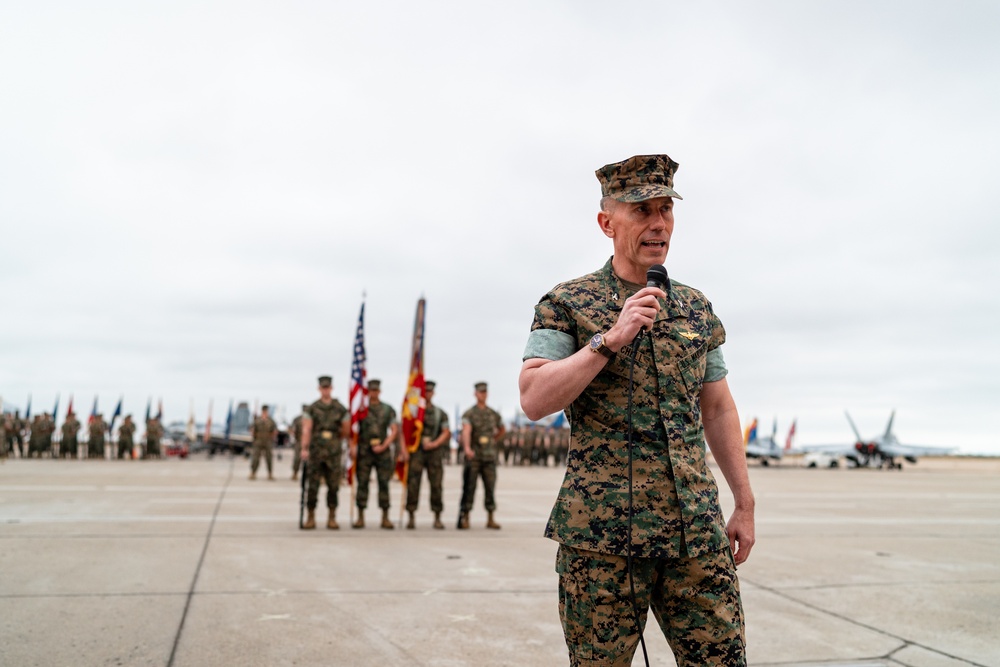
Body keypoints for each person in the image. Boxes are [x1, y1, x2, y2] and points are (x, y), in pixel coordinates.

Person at [517, 154, 755, 666]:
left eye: (666, 209)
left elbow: (717, 407)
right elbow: (535, 398)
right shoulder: (566, 303)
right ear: (607, 223)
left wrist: (744, 501)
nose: (658, 223)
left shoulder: (695, 308)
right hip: (602, 539)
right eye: (642, 210)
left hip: (695, 534)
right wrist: (610, 339)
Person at [300, 377, 351, 529]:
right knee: (313, 486)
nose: (325, 390)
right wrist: (304, 448)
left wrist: (336, 441)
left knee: (333, 486)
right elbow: (306, 429)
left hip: (334, 453)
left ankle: (332, 517)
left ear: (331, 388)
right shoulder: (312, 408)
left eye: (328, 387)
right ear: (319, 389)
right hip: (316, 451)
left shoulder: (340, 408)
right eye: (323, 388)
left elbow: (346, 429)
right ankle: (310, 517)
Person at [404, 380, 451, 530]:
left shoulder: (440, 413)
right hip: (417, 452)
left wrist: (435, 444)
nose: (428, 394)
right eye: (425, 391)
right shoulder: (413, 412)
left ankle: (437, 517)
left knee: (436, 485)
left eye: (430, 391)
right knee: (413, 485)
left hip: (434, 453)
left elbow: (446, 432)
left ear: (433, 393)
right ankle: (411, 516)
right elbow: (405, 430)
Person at [352, 379, 398, 530]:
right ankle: (360, 516)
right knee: (362, 483)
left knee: (384, 483)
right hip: (365, 451)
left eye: (376, 390)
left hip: (382, 452)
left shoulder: (387, 409)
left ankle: (385, 517)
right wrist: (353, 447)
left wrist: (385, 445)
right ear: (367, 391)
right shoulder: (360, 409)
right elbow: (353, 429)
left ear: (379, 391)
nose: (373, 393)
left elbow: (394, 429)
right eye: (371, 390)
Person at [459, 382, 505, 530]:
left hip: (489, 458)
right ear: (475, 394)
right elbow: (466, 431)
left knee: (490, 488)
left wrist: (493, 440)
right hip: (474, 458)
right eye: (480, 392)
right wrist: (467, 448)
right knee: (469, 488)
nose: (483, 394)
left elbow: (502, 428)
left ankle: (490, 518)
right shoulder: (469, 413)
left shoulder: (493, 413)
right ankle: (465, 517)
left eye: (485, 392)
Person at [249, 405, 277, 480]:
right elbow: (252, 429)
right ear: (262, 411)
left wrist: (272, 437)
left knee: (269, 458)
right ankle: (253, 473)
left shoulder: (271, 420)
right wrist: (253, 434)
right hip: (258, 441)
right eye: (264, 411)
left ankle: (270, 474)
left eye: (266, 411)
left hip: (268, 441)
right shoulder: (257, 420)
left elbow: (275, 430)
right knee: (255, 458)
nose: (265, 412)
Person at [290, 404, 308, 481]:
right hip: (299, 441)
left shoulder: (312, 419)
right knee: (297, 458)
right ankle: (295, 473)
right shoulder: (297, 419)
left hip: (309, 442)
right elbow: (292, 429)